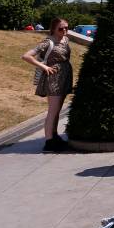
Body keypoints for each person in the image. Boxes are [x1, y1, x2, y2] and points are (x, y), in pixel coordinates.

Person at [22, 17, 74, 152]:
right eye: (61, 28)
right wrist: (44, 67)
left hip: (64, 77)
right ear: (53, 29)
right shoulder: (47, 42)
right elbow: (27, 56)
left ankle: (55, 136)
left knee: (58, 111)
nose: (64, 30)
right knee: (53, 111)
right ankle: (49, 141)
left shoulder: (65, 39)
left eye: (66, 28)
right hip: (54, 79)